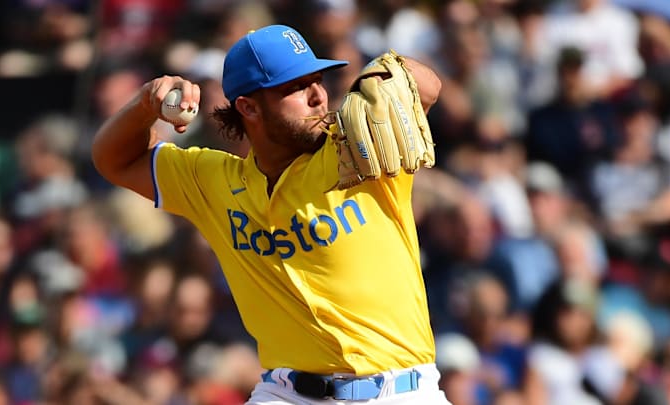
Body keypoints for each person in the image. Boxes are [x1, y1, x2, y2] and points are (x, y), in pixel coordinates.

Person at [92, 24, 447, 404]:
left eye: (318, 80)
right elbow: (113, 159)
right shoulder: (213, 182)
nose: (317, 96)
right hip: (287, 393)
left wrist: (380, 68)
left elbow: (428, 87)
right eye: (295, 86)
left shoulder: (358, 151)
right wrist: (147, 103)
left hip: (398, 390)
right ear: (247, 107)